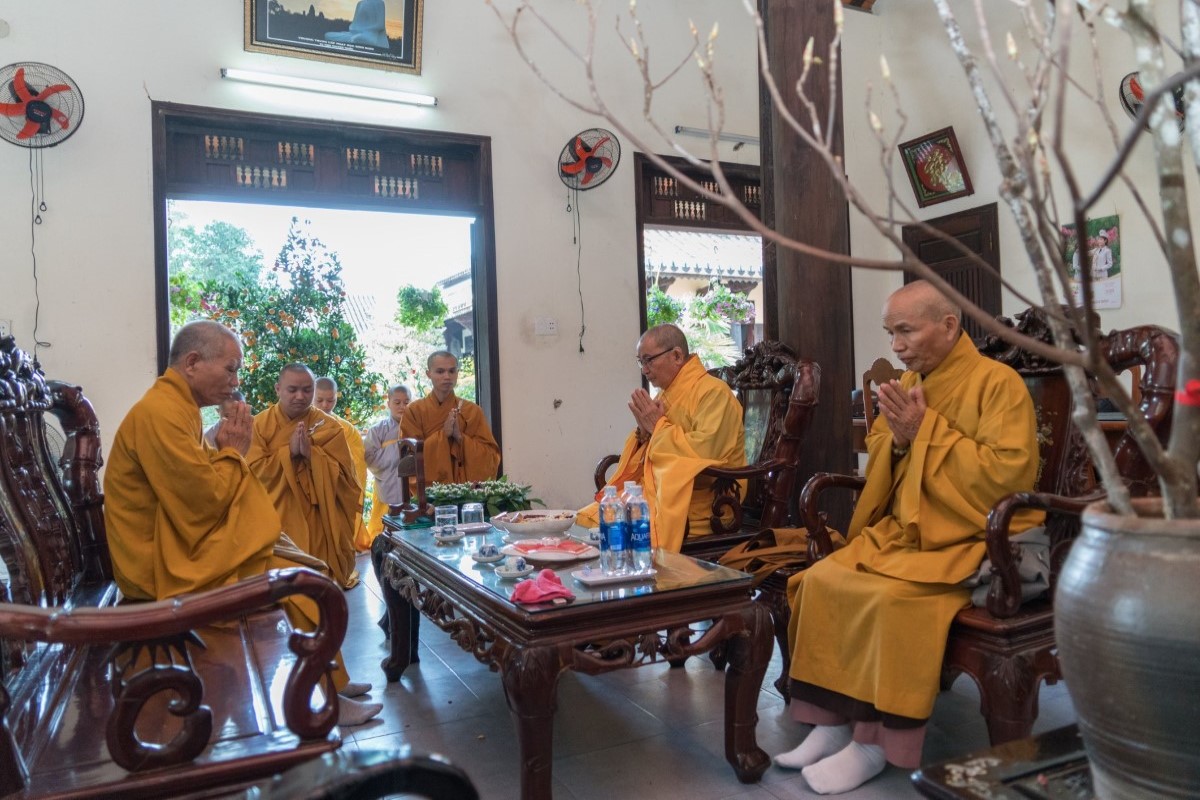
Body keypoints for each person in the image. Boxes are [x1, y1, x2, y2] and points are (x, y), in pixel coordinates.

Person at [775, 281, 1042, 794]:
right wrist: (898, 443)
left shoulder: (998, 383)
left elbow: (1007, 476)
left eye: (905, 331)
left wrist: (926, 433)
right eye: (889, 333)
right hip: (910, 535)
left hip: (973, 538)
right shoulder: (911, 381)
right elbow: (885, 455)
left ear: (948, 325)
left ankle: (876, 744)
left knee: (894, 599)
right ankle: (830, 724)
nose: (895, 346)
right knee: (822, 579)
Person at [103, 321, 381, 726]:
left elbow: (198, 490)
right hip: (161, 568)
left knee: (307, 568)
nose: (235, 381)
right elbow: (201, 504)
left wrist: (227, 454)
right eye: (231, 369)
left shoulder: (177, 408)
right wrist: (234, 453)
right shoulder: (161, 413)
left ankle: (331, 683)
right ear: (193, 362)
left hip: (181, 550)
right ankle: (321, 703)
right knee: (303, 584)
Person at [576, 323, 745, 552]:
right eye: (641, 362)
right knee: (587, 519)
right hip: (662, 494)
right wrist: (644, 435)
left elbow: (704, 455)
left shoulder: (714, 393)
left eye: (649, 360)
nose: (644, 370)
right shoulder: (666, 396)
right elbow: (658, 446)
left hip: (703, 503)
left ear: (676, 355)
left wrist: (656, 427)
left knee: (618, 526)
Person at [248, 364, 361, 590]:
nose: (300, 396)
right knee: (278, 592)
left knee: (317, 587)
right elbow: (250, 474)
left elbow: (347, 481)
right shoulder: (259, 426)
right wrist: (287, 453)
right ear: (278, 389)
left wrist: (313, 456)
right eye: (292, 390)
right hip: (275, 521)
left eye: (307, 390)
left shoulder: (329, 427)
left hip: (317, 519)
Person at [400, 352, 500, 485]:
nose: (447, 376)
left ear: (457, 373)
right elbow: (409, 460)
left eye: (452, 371)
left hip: (467, 491)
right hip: (431, 495)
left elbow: (490, 457)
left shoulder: (471, 411)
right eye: (440, 372)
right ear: (428, 374)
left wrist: (460, 438)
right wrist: (443, 435)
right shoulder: (414, 411)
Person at [314, 376, 371, 552]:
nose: (325, 405)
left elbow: (358, 466)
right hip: (312, 490)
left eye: (330, 400)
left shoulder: (347, 430)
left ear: (337, 398)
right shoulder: (303, 424)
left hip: (340, 491)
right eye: (320, 400)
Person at [364, 384, 411, 540]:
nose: (402, 407)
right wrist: (400, 448)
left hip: (412, 487)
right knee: (385, 534)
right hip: (388, 483)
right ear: (388, 403)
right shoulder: (377, 430)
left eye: (406, 402)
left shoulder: (417, 427)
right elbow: (369, 458)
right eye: (397, 403)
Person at [323, 0, 389, 49]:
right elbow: (354, 24)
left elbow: (380, 25)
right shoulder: (360, 3)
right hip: (356, 34)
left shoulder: (379, 2)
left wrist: (365, 31)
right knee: (328, 35)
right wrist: (354, 32)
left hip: (372, 35)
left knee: (359, 38)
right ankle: (354, 38)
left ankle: (356, 38)